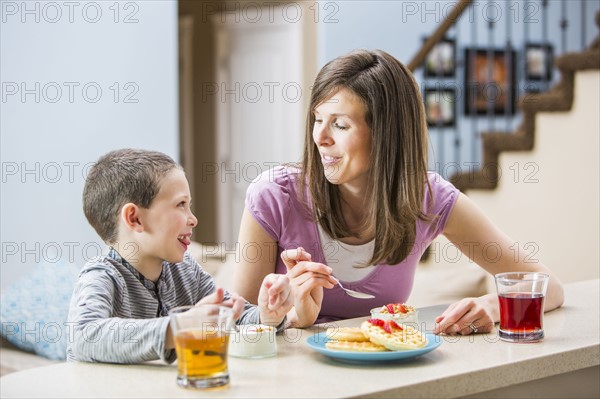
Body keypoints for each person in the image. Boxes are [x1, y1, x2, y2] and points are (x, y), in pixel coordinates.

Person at [232, 49, 564, 334]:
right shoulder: (275, 196)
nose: (320, 137)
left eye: (340, 124)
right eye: (317, 119)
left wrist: (493, 306)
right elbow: (237, 325)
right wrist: (290, 318)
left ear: (386, 134)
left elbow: (548, 287)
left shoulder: (429, 199)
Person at [67, 149, 293, 364]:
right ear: (135, 218)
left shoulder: (186, 271)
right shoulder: (102, 276)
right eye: (181, 204)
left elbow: (229, 315)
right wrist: (181, 326)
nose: (193, 218)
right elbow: (85, 336)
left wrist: (266, 315)